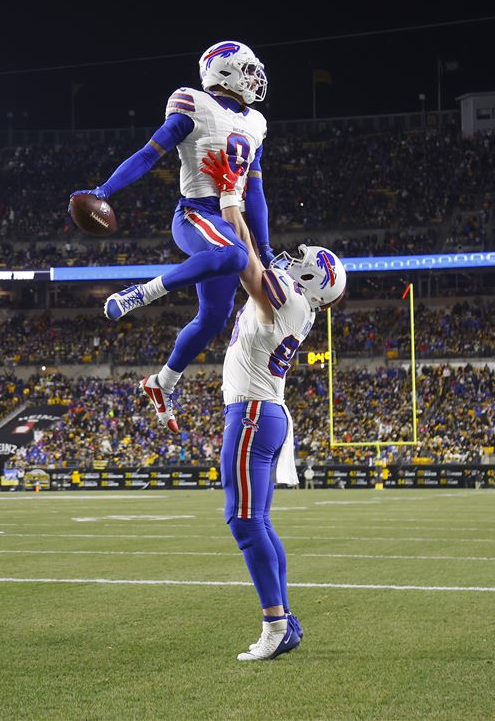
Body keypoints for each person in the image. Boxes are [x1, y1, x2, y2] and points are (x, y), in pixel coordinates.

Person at [69, 41, 272, 434]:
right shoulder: (192, 103)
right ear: (223, 71)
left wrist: (265, 250)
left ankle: (163, 382)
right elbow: (148, 154)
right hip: (195, 214)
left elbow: (257, 192)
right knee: (234, 255)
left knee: (215, 317)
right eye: (246, 70)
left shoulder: (256, 123)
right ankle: (140, 293)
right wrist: (104, 191)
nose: (254, 79)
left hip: (230, 220)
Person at [202, 146, 346, 660]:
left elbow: (246, 259)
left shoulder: (287, 297)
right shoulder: (299, 306)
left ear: (310, 281)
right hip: (267, 412)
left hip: (253, 412)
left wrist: (229, 199)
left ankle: (276, 623)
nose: (293, 259)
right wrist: (247, 179)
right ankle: (284, 618)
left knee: (244, 521)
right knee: (257, 521)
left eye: (303, 262)